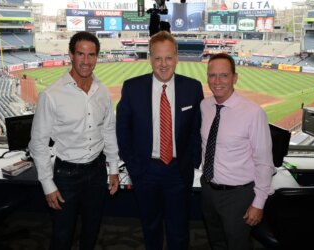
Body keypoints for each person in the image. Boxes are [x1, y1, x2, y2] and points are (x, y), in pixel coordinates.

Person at [29, 31, 119, 250]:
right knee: (62, 234)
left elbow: (108, 130)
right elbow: (38, 143)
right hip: (66, 175)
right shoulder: (52, 95)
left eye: (91, 55)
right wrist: (48, 184)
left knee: (91, 230)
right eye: (81, 54)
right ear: (71, 55)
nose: (86, 61)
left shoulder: (103, 92)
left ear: (97, 57)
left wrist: (113, 168)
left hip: (97, 172)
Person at [116, 31, 204, 250]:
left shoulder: (193, 88)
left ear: (176, 57)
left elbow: (196, 129)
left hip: (178, 171)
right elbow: (122, 131)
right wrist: (135, 166)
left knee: (179, 229)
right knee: (150, 227)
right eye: (157, 58)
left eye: (168, 58)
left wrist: (191, 162)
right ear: (150, 58)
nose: (163, 64)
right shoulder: (132, 88)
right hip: (145, 171)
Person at [200, 53, 275, 250]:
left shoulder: (253, 113)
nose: (217, 81)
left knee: (237, 244)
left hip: (238, 196)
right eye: (212, 75)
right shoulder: (205, 106)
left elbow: (264, 162)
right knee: (216, 241)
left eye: (224, 75)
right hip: (208, 190)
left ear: (235, 77)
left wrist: (258, 203)